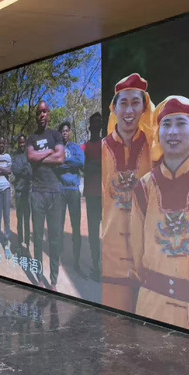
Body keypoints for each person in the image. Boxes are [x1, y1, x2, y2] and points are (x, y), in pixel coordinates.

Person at [130, 96, 189, 332]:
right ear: (157, 132)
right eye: (166, 124)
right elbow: (137, 251)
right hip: (151, 304)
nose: (173, 132)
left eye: (181, 123)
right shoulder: (144, 187)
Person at [102, 73, 153, 310]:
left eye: (135, 102)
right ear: (114, 108)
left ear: (144, 108)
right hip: (110, 260)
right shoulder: (101, 149)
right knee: (112, 323)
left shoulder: (156, 148)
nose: (129, 110)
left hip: (147, 260)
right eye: (123, 103)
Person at [27, 101, 65, 286]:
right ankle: (39, 278)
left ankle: (54, 281)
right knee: (38, 239)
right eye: (39, 112)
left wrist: (39, 158)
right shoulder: (31, 138)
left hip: (55, 193)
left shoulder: (55, 134)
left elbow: (61, 158)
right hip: (37, 193)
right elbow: (30, 157)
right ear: (36, 116)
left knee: (55, 239)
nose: (42, 115)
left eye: (44, 112)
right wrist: (49, 152)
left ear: (49, 114)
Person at [58, 121, 86, 275]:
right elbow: (56, 166)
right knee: (59, 225)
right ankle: (60, 258)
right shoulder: (57, 149)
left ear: (69, 132)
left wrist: (65, 162)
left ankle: (76, 260)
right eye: (62, 131)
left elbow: (81, 162)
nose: (64, 133)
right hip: (61, 191)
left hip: (74, 190)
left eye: (66, 130)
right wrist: (68, 164)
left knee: (76, 226)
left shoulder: (75, 148)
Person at [82, 113, 103, 278]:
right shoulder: (85, 147)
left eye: (98, 122)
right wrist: (98, 165)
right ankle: (96, 266)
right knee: (93, 233)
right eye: (93, 123)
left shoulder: (106, 145)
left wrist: (92, 165)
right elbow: (82, 166)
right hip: (91, 196)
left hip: (107, 197)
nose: (96, 125)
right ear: (89, 127)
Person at [12, 135, 32, 252]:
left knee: (27, 219)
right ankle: (19, 243)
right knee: (19, 219)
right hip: (19, 192)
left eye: (23, 142)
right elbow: (15, 170)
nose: (22, 144)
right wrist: (24, 170)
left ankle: (27, 244)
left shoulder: (29, 155)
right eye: (20, 142)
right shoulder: (15, 156)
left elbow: (30, 172)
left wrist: (23, 171)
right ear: (18, 143)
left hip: (28, 192)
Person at [0, 136, 12, 258]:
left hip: (6, 188)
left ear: (5, 144)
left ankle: (6, 244)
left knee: (7, 216)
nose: (1, 145)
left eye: (3, 143)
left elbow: (9, 171)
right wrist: (3, 169)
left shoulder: (8, 157)